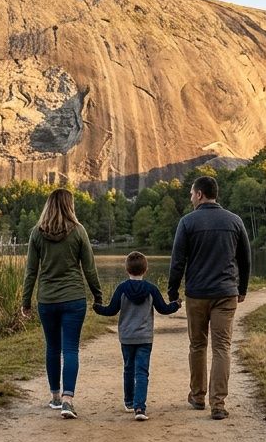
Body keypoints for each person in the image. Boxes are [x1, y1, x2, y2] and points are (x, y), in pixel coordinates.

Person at [167, 175, 251, 420]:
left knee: (198, 345)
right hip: (226, 294)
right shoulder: (234, 221)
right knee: (222, 347)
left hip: (197, 295)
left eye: (192, 193)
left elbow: (177, 261)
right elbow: (245, 259)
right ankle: (218, 403)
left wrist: (173, 292)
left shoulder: (187, 222)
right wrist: (242, 288)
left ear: (200, 194)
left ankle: (197, 396)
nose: (191, 197)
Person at [21, 188, 103, 419]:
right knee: (70, 349)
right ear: (70, 206)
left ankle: (55, 397)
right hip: (74, 299)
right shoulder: (78, 231)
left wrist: (25, 301)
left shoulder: (37, 233)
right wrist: (98, 295)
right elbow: (89, 267)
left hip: (47, 300)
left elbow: (31, 272)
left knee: (52, 348)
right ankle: (68, 400)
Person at [91, 251, 181, 420]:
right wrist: (176, 304)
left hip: (126, 337)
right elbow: (163, 309)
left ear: (127, 270)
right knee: (142, 371)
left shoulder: (122, 288)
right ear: (145, 270)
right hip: (145, 337)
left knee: (128, 368)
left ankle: (129, 402)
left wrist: (97, 307)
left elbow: (111, 310)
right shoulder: (151, 289)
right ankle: (140, 408)